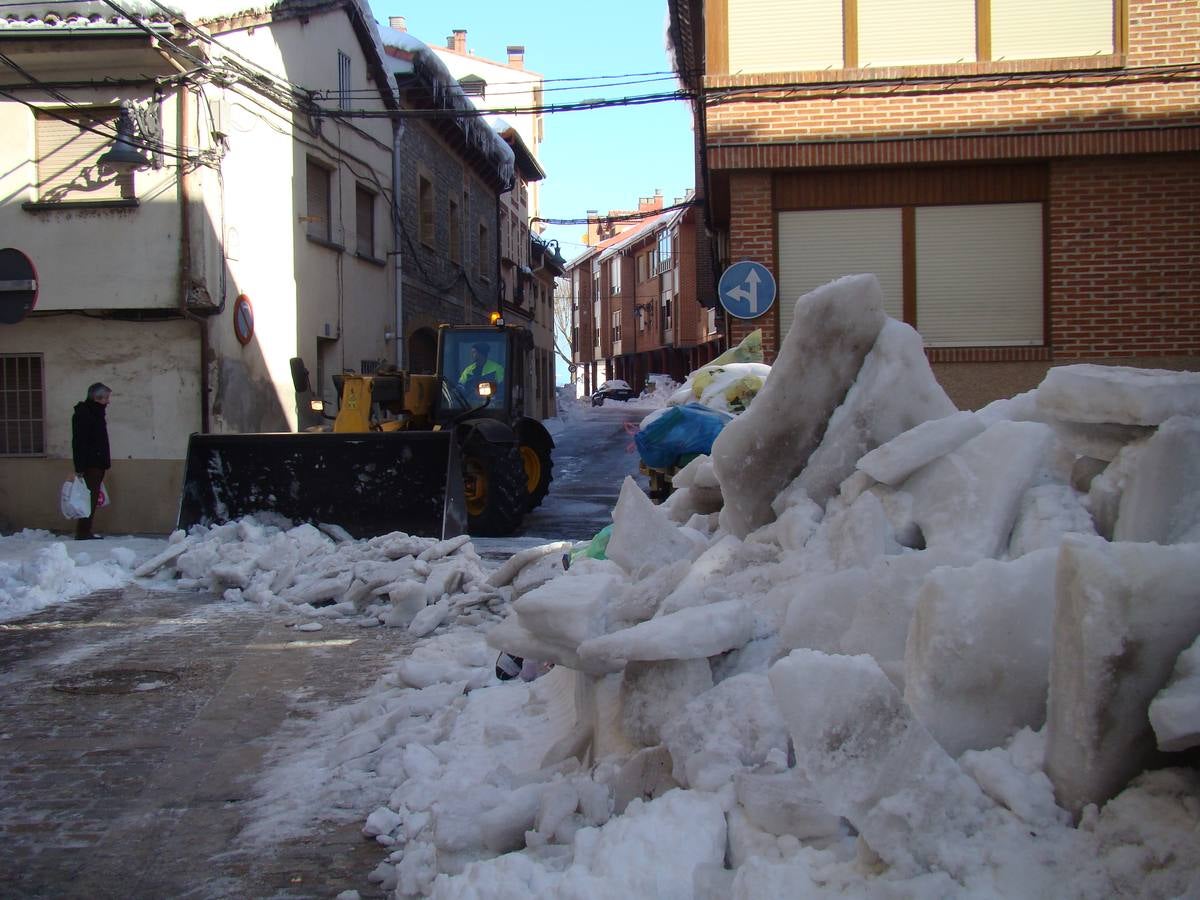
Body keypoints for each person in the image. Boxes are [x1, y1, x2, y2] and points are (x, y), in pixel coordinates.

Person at [71, 382, 112, 540]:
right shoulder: (85, 414)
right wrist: (80, 466)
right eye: (106, 398)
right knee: (88, 497)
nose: (108, 401)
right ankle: (83, 531)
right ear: (97, 397)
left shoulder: (96, 412)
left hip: (97, 461)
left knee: (92, 497)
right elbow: (79, 442)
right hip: (91, 463)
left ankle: (85, 530)